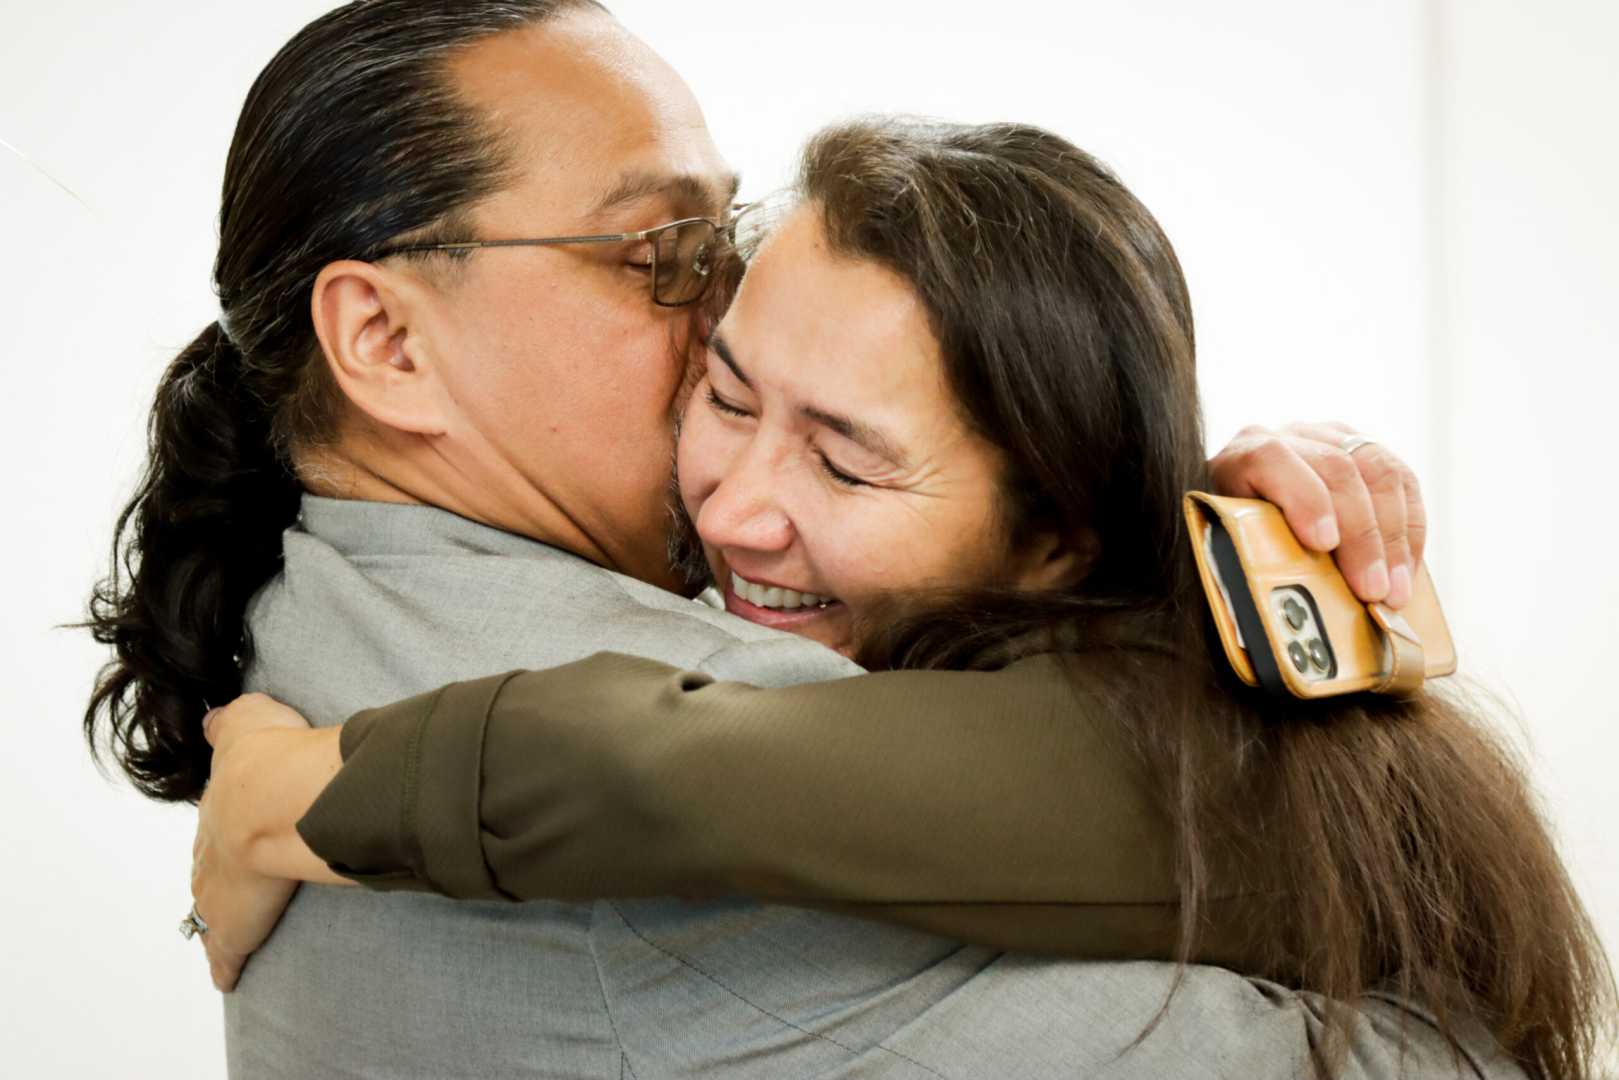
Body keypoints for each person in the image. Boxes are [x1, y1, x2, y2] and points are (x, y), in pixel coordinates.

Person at [77, 1, 1501, 1077]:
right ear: (383, 339)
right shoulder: (667, 803)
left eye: (727, 238)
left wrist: (1208, 551)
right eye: (662, 258)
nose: (723, 314)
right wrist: (1263, 640)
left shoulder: (313, 590)